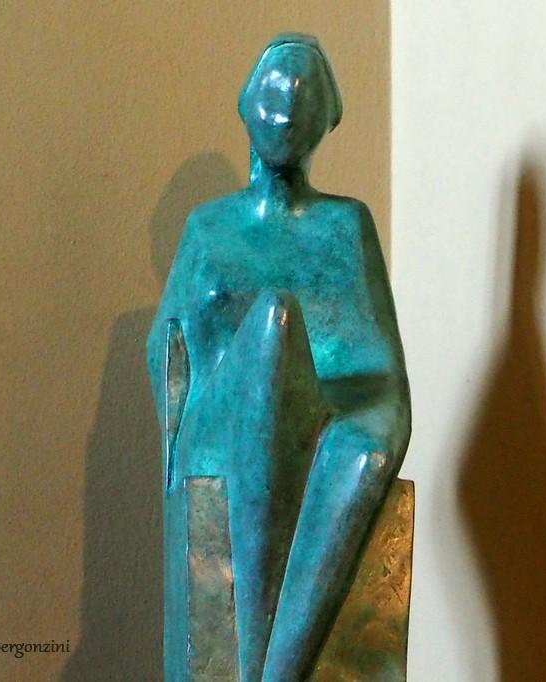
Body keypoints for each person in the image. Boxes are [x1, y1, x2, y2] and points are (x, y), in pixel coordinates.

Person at [146, 34, 411, 681]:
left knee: (362, 454)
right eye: (273, 95)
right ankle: (260, 661)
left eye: (304, 100)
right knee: (272, 323)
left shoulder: (345, 226)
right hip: (220, 422)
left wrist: (376, 433)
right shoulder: (209, 229)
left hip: (320, 413)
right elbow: (167, 349)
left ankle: (276, 669)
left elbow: (380, 368)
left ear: (326, 119)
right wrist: (175, 452)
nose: (286, 113)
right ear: (246, 106)